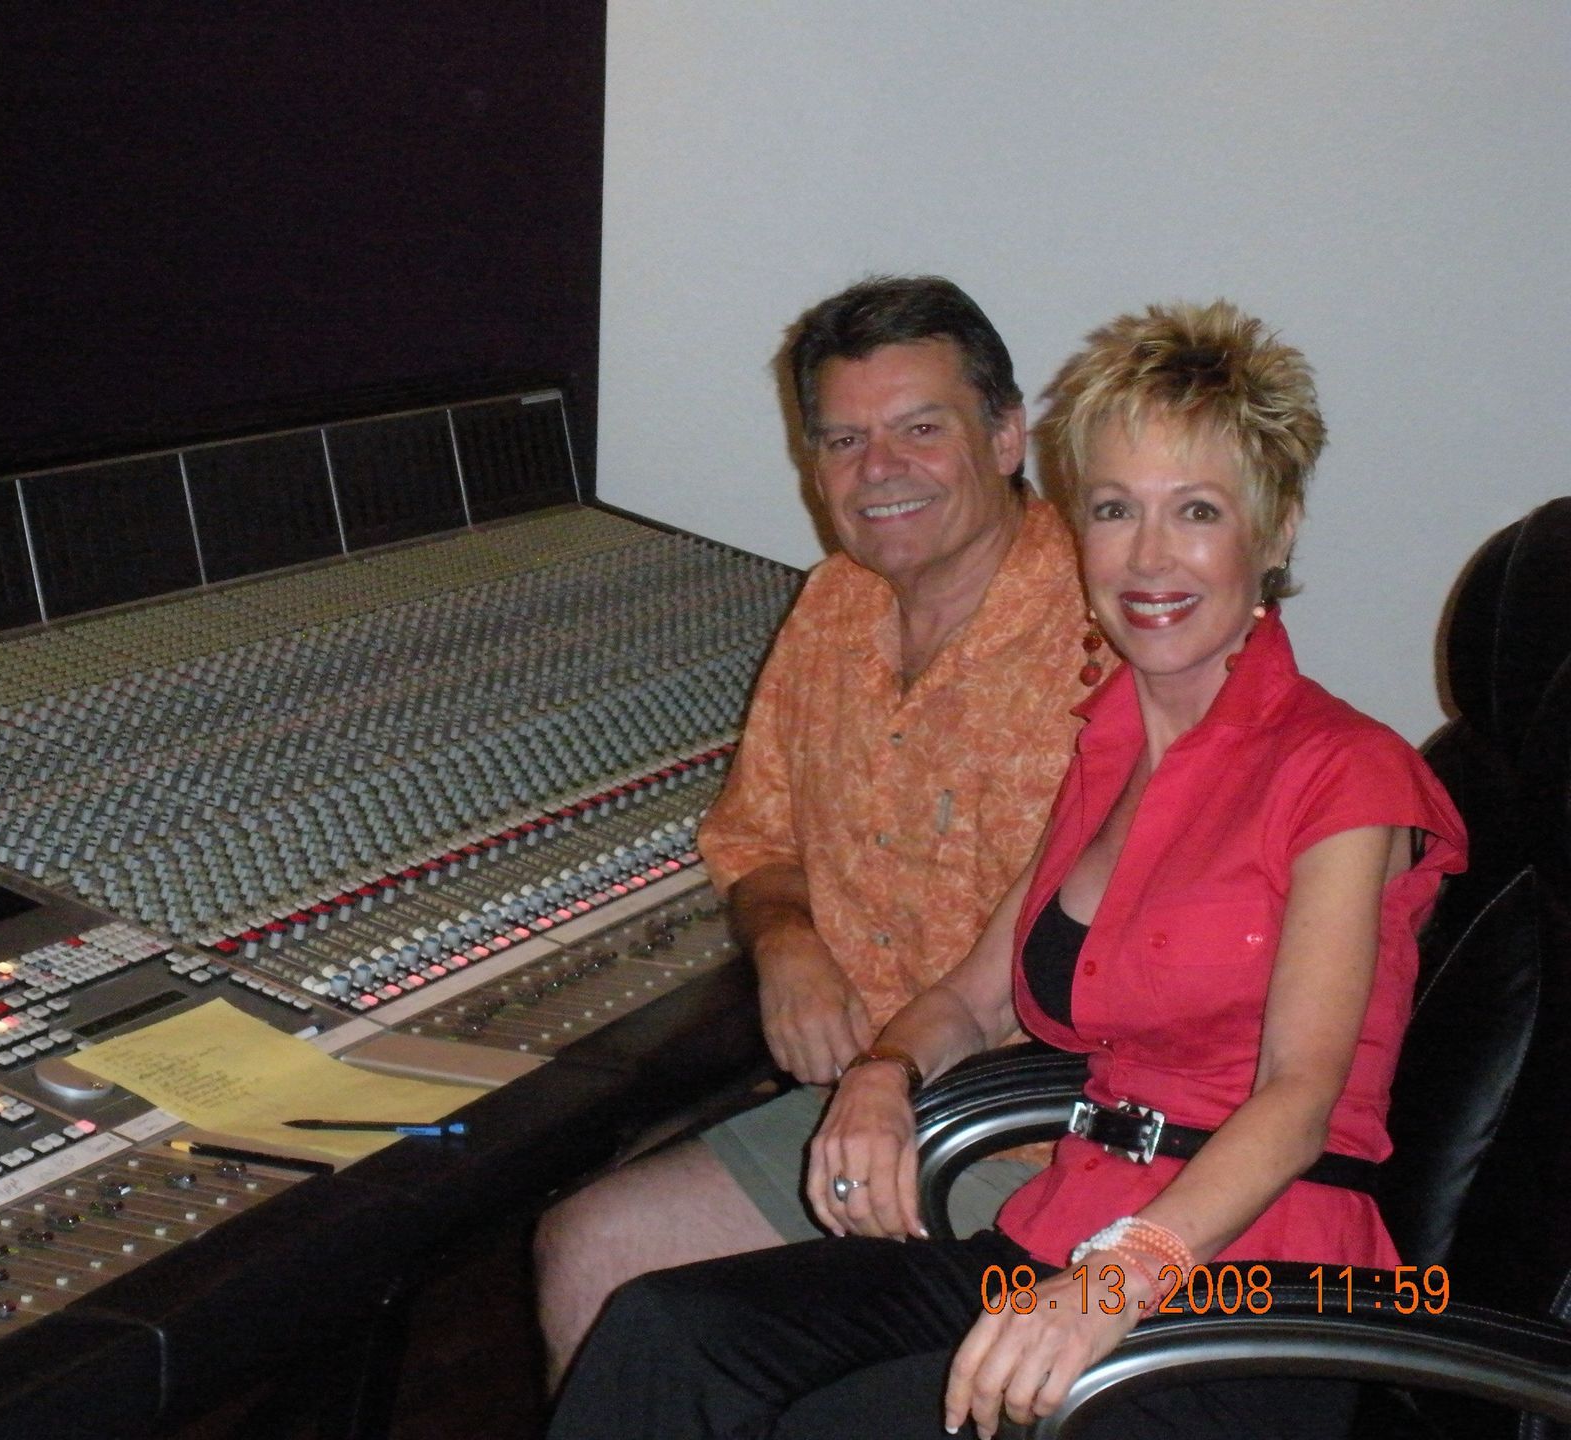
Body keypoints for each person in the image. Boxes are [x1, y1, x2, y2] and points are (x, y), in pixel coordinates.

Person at [547, 299, 1467, 1439]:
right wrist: (884, 1076)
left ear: (1271, 537)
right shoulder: (1110, 747)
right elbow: (979, 996)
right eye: (1115, 511)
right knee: (668, 1335)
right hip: (1058, 1227)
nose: (1149, 556)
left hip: (1252, 1274)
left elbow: (1299, 1095)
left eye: (1198, 513)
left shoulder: (1346, 770)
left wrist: (1116, 1279)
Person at [533, 276, 1088, 1381]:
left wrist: (896, 1076)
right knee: (592, 1250)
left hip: (1040, 1151)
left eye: (920, 429)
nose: (878, 470)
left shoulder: (1109, 630)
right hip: (863, 1113)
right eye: (842, 440)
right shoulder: (836, 602)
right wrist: (785, 941)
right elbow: (754, 836)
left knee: (719, 1345)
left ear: (1008, 432)